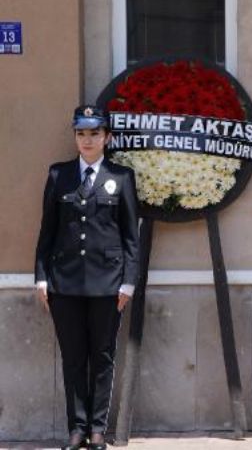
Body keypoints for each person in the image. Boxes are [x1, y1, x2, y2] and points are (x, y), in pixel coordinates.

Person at [34, 105, 140, 450]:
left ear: (107, 137)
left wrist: (128, 282)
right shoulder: (59, 175)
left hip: (108, 285)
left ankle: (97, 430)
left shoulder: (121, 177)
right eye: (81, 133)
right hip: (64, 284)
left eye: (94, 133)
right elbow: (47, 232)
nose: (87, 140)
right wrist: (41, 277)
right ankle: (76, 429)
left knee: (103, 357)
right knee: (74, 358)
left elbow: (129, 237)